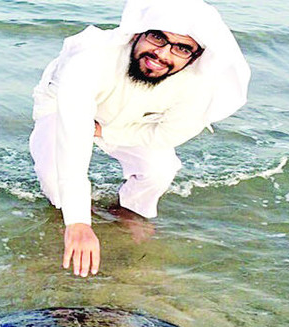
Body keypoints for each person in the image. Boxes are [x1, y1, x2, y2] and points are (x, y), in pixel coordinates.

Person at [29, 0, 250, 277]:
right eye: (157, 37)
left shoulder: (198, 87)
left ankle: (128, 210)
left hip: (130, 122)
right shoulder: (90, 60)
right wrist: (78, 223)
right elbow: (72, 143)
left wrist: (107, 132)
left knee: (159, 171)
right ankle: (63, 214)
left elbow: (166, 135)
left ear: (194, 59)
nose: (162, 53)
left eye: (182, 48)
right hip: (62, 107)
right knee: (55, 174)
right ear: (137, 34)